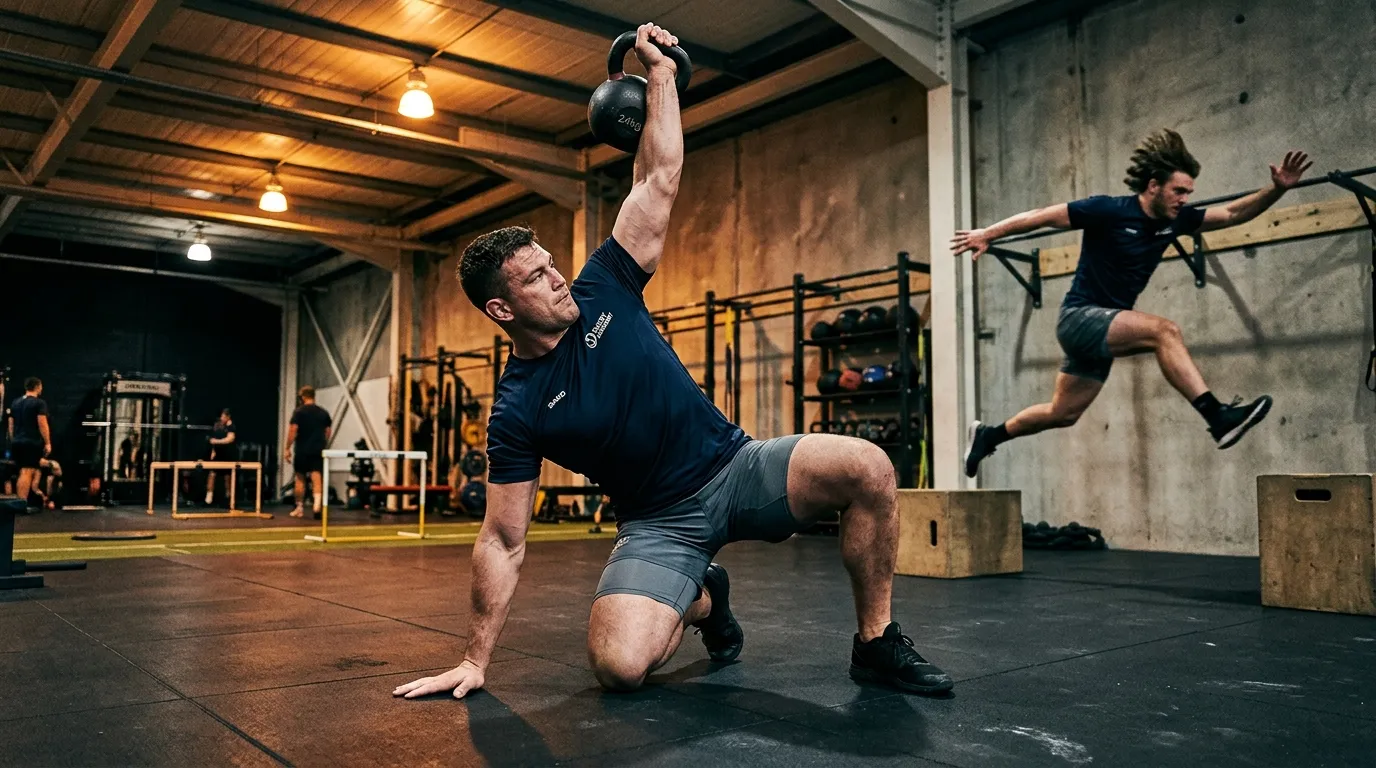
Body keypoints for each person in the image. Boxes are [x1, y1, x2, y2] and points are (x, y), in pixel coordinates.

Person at [393, 23, 952, 703]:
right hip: (659, 522)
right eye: (536, 278)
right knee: (619, 667)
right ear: (501, 309)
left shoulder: (606, 285)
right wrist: (474, 659)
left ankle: (875, 642)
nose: (558, 278)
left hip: (738, 468)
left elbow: (657, 180)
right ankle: (706, 600)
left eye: (551, 264)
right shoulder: (517, 411)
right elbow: (502, 540)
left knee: (868, 465)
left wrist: (660, 75)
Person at [953, 130, 1312, 477]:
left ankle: (989, 436)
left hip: (1102, 329)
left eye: (1188, 192)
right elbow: (1041, 215)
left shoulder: (1177, 220)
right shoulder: (1108, 210)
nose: (1184, 199)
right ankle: (1216, 416)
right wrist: (988, 233)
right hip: (1079, 318)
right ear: (1153, 186)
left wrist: (1277, 189)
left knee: (1063, 413)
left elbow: (1233, 214)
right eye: (1178, 191)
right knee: (1164, 332)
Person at [285, 386, 331, 519]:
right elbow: (328, 431)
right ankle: (317, 506)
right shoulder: (323, 413)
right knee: (317, 477)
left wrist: (287, 448)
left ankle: (299, 508)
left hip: (302, 449)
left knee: (300, 478)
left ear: (303, 397)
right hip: (317, 449)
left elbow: (293, 430)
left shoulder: (299, 412)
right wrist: (322, 443)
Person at [7, 377, 51, 509]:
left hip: (17, 441)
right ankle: (21, 503)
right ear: (37, 387)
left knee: (23, 471)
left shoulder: (15, 402)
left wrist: (14, 439)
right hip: (31, 442)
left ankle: (21, 502)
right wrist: (47, 442)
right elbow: (42, 423)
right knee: (27, 471)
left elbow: (11, 424)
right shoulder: (39, 403)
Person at [205, 408, 238, 506]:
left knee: (227, 477)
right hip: (218, 454)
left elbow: (230, 439)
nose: (222, 418)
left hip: (228, 455)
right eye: (221, 417)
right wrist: (213, 451)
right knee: (212, 474)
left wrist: (216, 441)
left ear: (228, 417)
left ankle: (229, 498)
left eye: (224, 417)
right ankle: (208, 498)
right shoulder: (219, 426)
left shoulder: (231, 427)